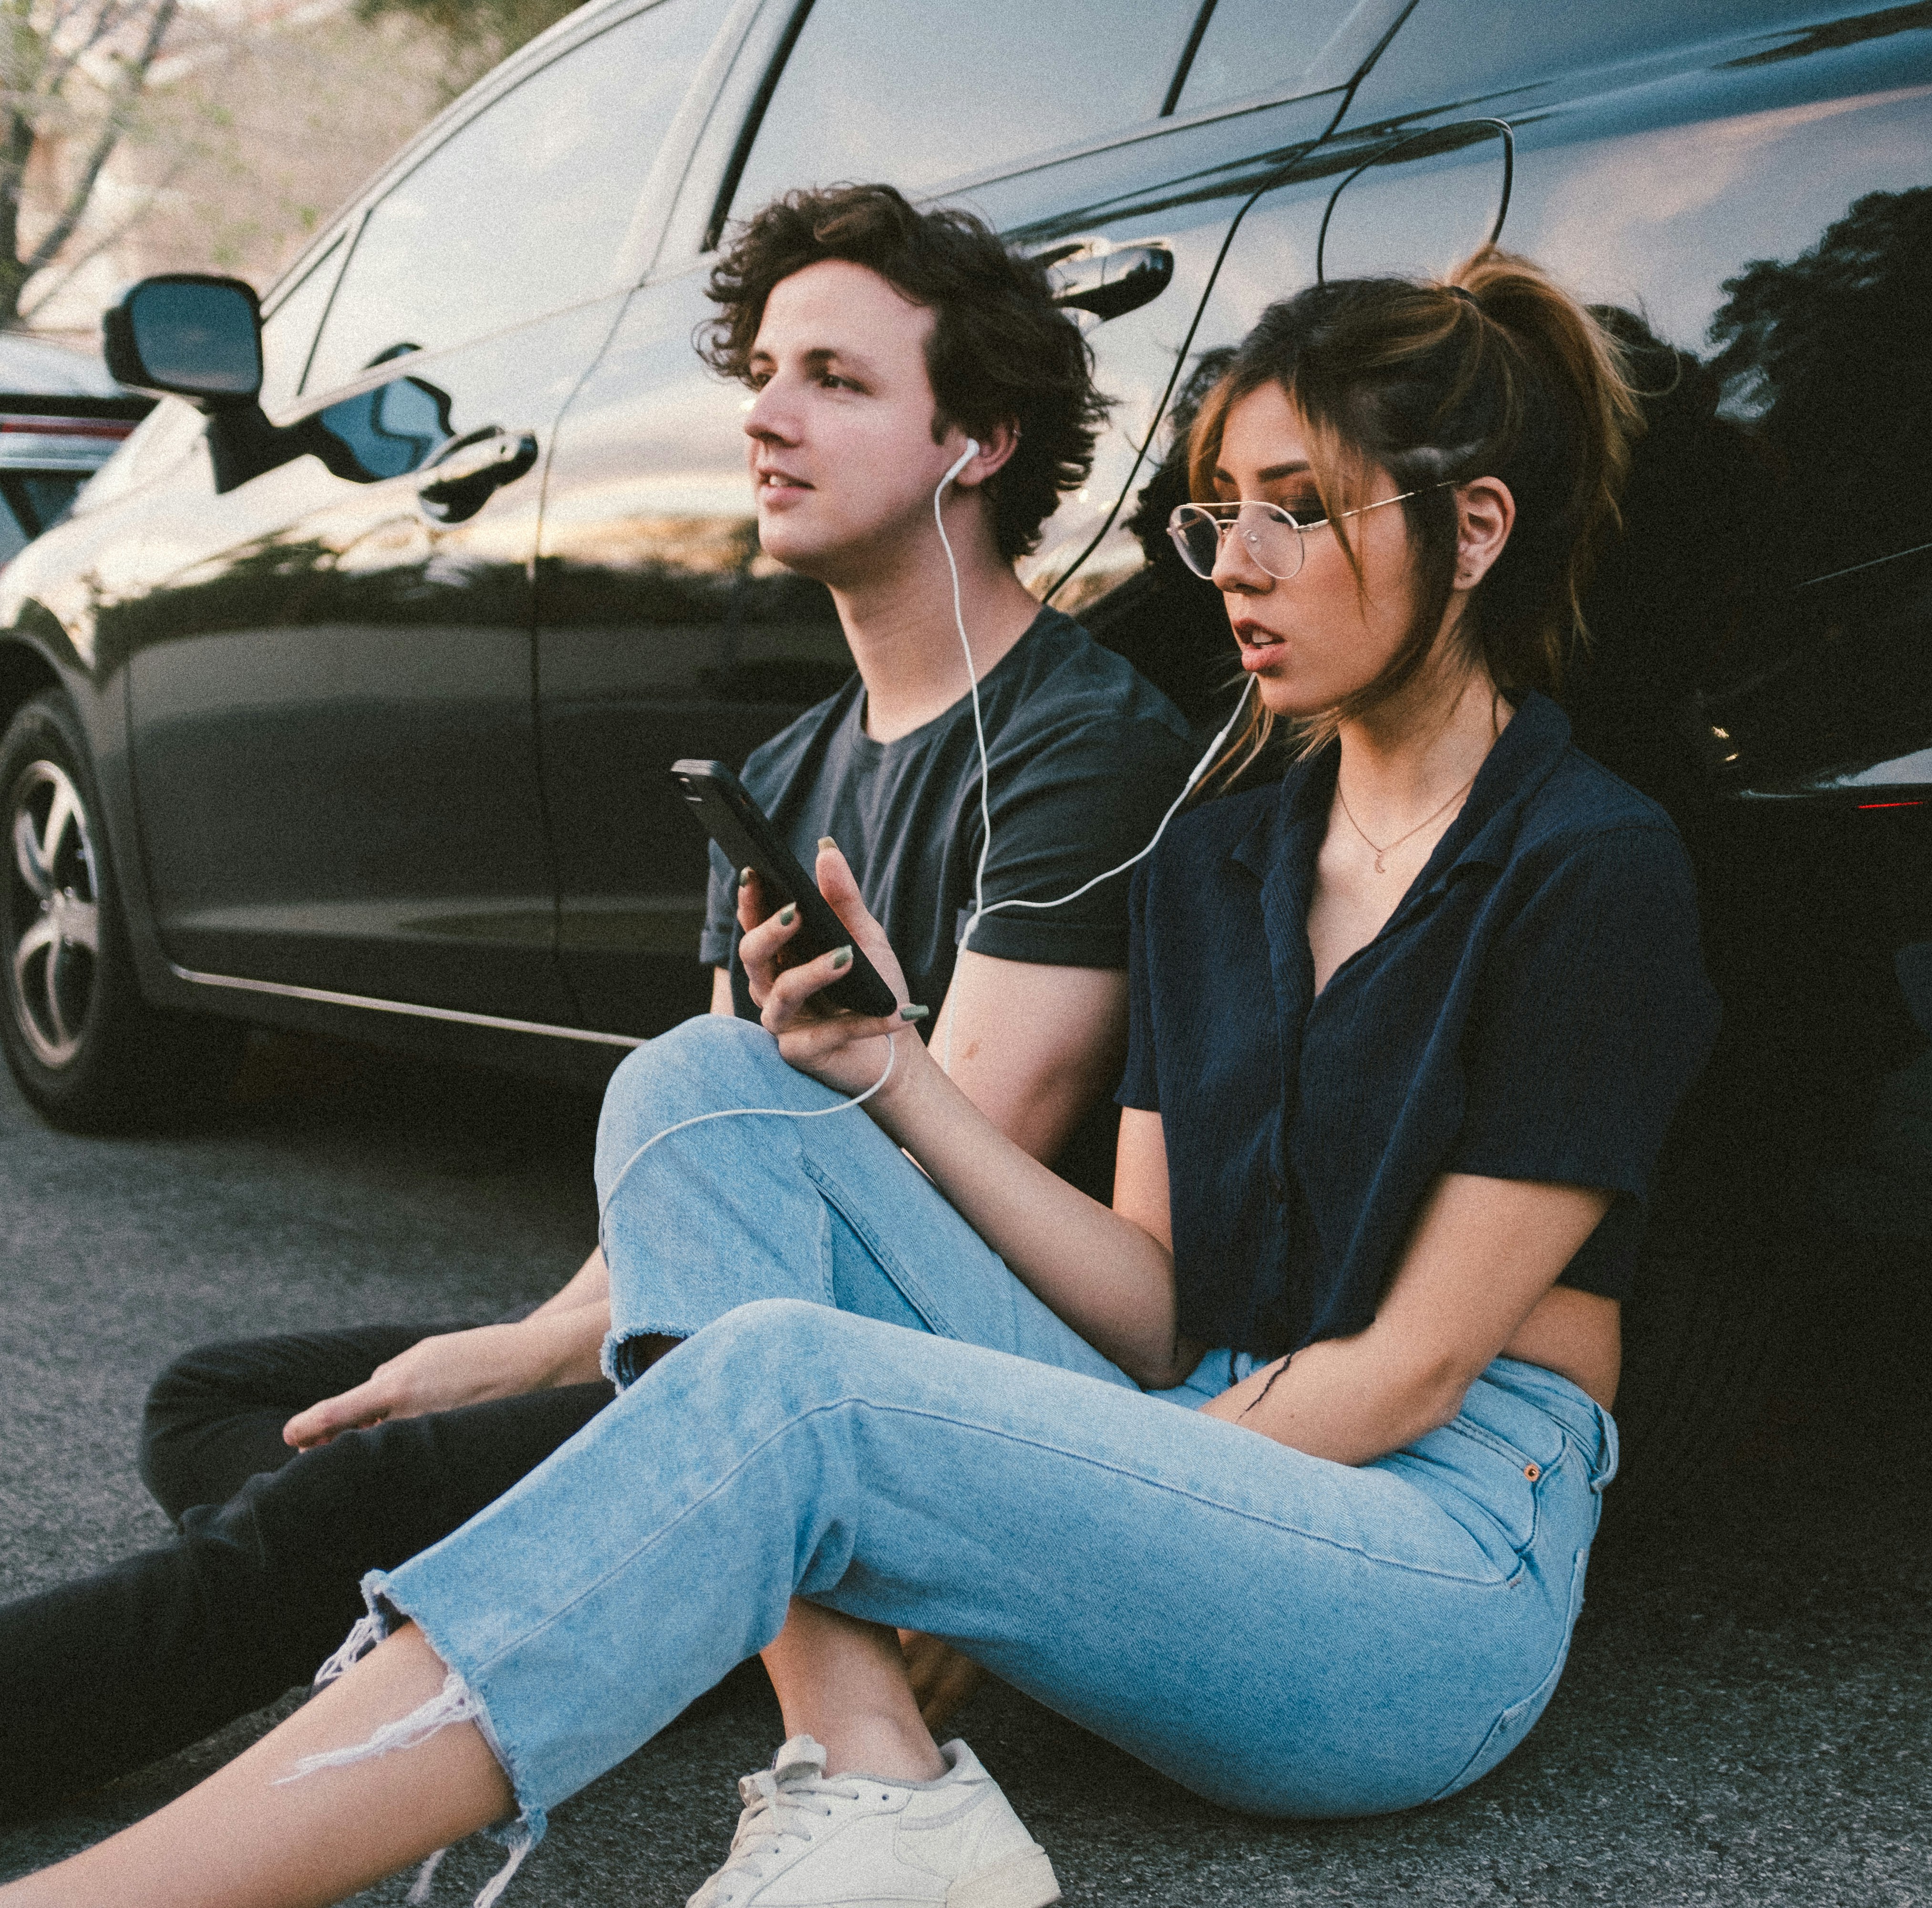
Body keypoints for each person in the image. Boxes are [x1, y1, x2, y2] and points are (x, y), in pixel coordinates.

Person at [2, 244, 1720, 1908]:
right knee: (703, 1087)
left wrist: (1002, 1499)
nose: (1239, 565)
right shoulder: (1221, 861)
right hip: (1207, 1453)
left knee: (795, 1397)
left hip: (1423, 1573)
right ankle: (870, 1766)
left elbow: (1411, 1376)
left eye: (1299, 509)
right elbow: (1149, 1305)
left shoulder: (1587, 866)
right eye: (1218, 514)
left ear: (1473, 527)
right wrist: (888, 1072)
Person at [0, 182, 1194, 1815]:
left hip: (909, 1379)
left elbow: (942, 1186)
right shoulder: (783, 772)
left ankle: (605, 1597)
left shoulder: (1080, 742)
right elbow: (690, 1151)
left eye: (835, 381)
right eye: (764, 372)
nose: (766, 416)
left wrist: (533, 1373)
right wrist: (531, 1341)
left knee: (340, 1500)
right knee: (227, 1404)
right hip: (734, 1319)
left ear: (976, 441)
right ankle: (615, 1612)